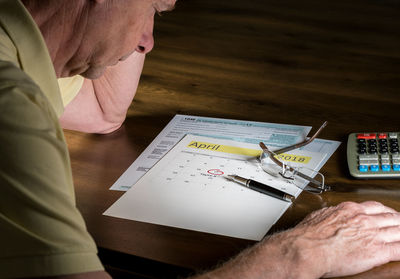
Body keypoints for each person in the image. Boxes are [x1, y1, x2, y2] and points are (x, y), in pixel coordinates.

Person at [0, 1, 399, 278]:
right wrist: (301, 253)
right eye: (153, 9)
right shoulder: (11, 103)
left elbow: (103, 111)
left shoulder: (17, 41)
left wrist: (124, 21)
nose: (147, 41)